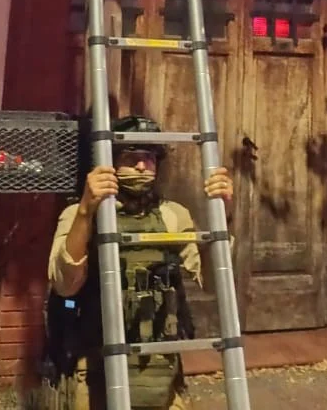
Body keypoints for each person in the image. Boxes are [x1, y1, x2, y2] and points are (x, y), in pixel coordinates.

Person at [45, 116, 234, 410]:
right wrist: (85, 211)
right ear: (111, 162)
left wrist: (220, 217)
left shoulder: (173, 216)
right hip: (96, 372)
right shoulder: (80, 215)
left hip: (161, 368)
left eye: (149, 158)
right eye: (132, 158)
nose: (143, 167)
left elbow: (214, 283)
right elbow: (65, 285)